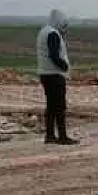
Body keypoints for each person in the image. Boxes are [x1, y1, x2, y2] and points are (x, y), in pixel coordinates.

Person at [35, 9, 78, 144]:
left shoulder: (44, 31)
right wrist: (64, 66)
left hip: (45, 73)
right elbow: (54, 55)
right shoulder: (52, 33)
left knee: (51, 106)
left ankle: (50, 135)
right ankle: (62, 136)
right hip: (54, 74)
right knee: (59, 107)